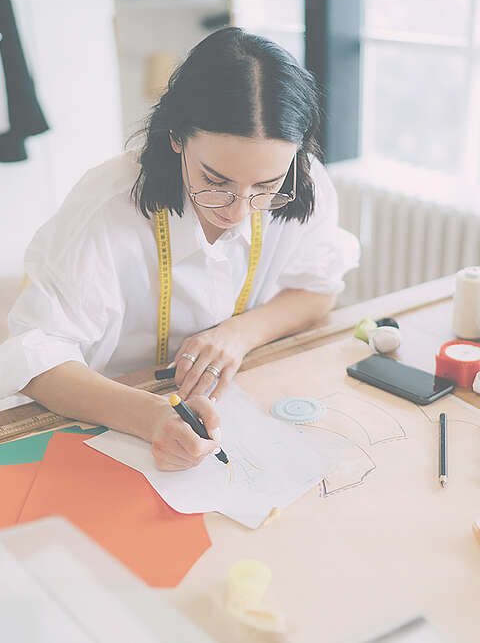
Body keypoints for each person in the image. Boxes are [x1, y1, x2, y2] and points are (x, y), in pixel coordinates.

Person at [0, 27, 359, 470]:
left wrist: (238, 335)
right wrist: (150, 416)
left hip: (236, 396)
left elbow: (319, 290)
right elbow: (34, 359)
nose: (239, 211)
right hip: (107, 413)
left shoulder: (307, 183)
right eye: (216, 181)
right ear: (175, 137)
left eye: (266, 186)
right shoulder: (107, 207)